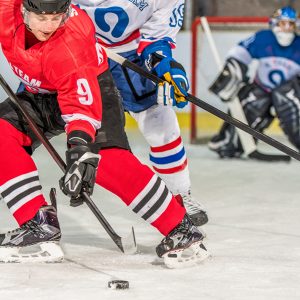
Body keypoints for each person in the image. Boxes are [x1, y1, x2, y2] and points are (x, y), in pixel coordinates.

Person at [0, 0, 209, 267]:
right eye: (42, 18)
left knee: (108, 161)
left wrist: (80, 149)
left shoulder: (72, 40)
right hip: (39, 93)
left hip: (92, 88)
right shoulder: (7, 9)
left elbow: (80, 107)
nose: (50, 26)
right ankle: (38, 225)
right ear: (23, 11)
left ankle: (181, 228)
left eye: (57, 17)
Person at [72, 0, 208, 227]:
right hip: (78, 55)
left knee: (161, 124)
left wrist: (164, 65)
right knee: (31, 117)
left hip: (131, 58)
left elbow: (156, 41)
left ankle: (180, 194)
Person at [208, 6, 300, 158]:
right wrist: (233, 69)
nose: (287, 28)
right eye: (283, 23)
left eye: (291, 24)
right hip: (262, 89)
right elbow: (239, 53)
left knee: (286, 99)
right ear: (275, 23)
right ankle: (230, 142)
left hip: (289, 92)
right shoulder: (263, 38)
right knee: (251, 101)